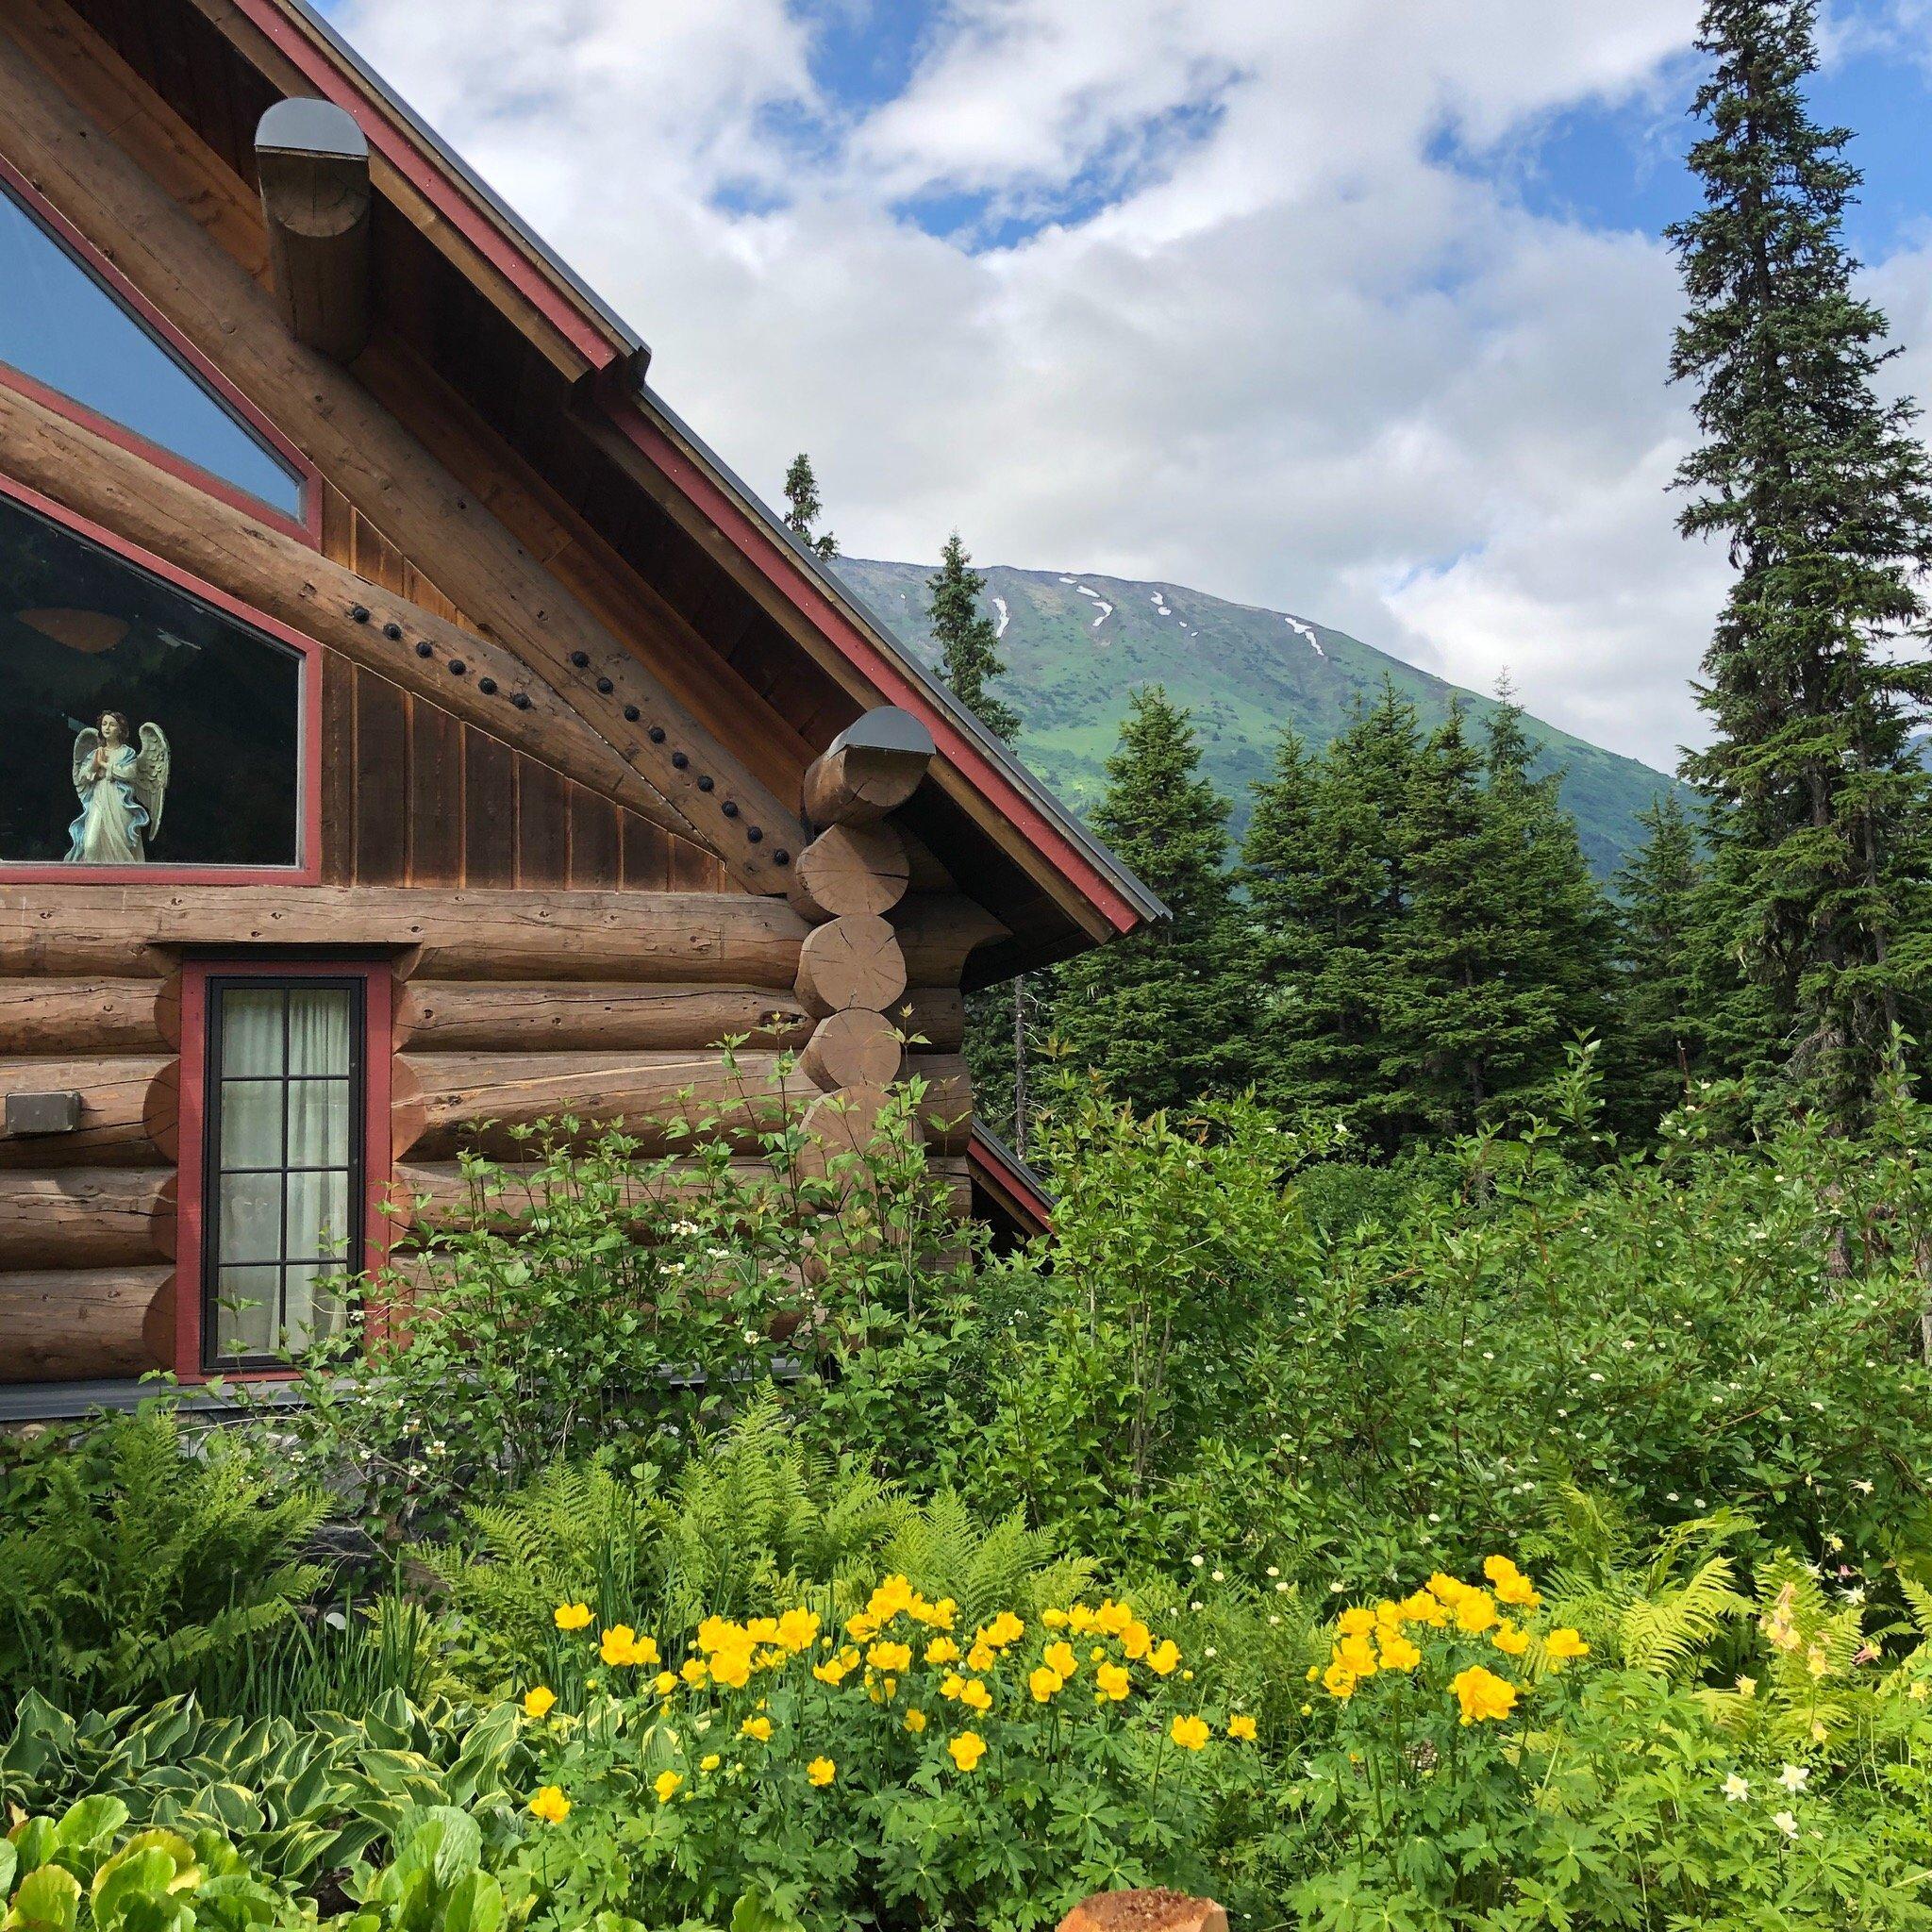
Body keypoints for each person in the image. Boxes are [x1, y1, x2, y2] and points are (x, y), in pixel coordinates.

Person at [67, 710, 169, 863]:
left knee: (120, 845)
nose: (107, 728)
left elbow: (129, 773)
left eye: (112, 724)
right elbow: (82, 776)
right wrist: (94, 766)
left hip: (119, 802)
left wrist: (104, 765)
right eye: (104, 724)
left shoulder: (127, 753)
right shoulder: (96, 753)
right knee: (90, 844)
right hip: (99, 800)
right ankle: (93, 880)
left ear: (120, 729)